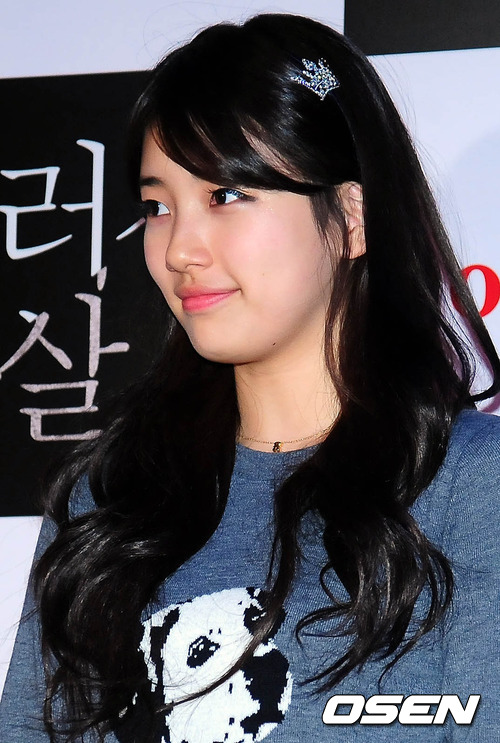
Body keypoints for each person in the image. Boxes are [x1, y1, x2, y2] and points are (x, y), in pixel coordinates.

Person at [1, 12, 499, 743]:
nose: (180, 249)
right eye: (157, 206)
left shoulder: (473, 485)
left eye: (226, 195)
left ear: (352, 216)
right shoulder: (107, 497)